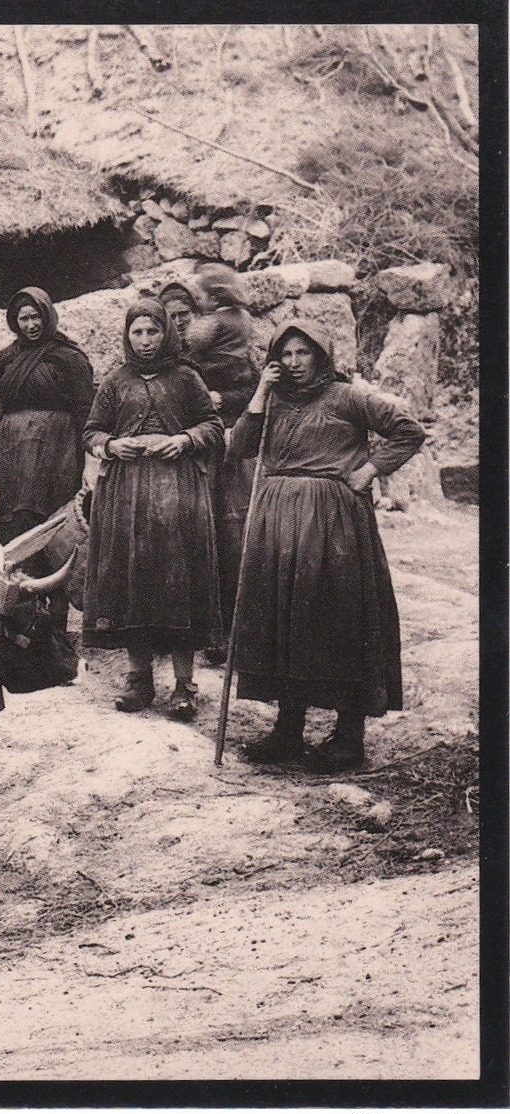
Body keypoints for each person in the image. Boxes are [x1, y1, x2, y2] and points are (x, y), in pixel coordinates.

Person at [230, 321, 425, 772]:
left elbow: (407, 430)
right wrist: (259, 393)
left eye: (304, 353)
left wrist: (370, 469)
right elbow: (238, 447)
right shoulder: (273, 398)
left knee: (337, 618)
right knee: (284, 618)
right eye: (287, 354)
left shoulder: (348, 396)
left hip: (333, 522)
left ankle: (348, 737)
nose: (295, 363)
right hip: (277, 520)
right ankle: (288, 730)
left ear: (321, 354)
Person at [83, 298, 224, 720]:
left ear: (167, 333)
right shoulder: (114, 382)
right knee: (132, 580)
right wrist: (109, 444)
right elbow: (91, 430)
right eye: (137, 332)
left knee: (178, 581)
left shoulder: (185, 378)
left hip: (177, 494)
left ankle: (184, 685)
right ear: (127, 335)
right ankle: (139, 677)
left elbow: (213, 426)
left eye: (153, 331)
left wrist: (184, 440)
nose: (145, 341)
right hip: (125, 495)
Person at [0, 287, 95, 637]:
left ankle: (55, 626)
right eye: (23, 319)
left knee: (50, 525)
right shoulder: (9, 355)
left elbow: (86, 408)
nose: (30, 325)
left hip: (56, 449)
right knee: (14, 522)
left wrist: (87, 457)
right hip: (13, 451)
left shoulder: (67, 356)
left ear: (48, 316)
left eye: (36, 317)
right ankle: (18, 618)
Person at [184, 265, 261, 664]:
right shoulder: (243, 324)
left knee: (223, 533)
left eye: (199, 294)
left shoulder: (212, 325)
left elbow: (187, 347)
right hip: (223, 433)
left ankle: (224, 631)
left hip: (222, 444)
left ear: (213, 296)